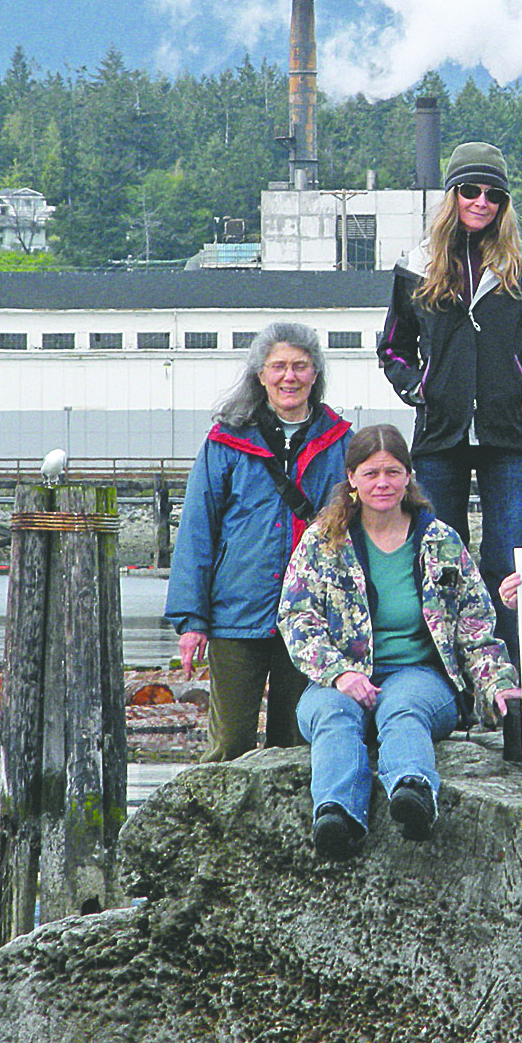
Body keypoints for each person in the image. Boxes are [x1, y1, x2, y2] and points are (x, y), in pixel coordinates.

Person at [279, 423, 520, 860]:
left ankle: (413, 794)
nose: (382, 483)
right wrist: (339, 673)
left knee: (401, 707)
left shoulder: (440, 541)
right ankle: (336, 815)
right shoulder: (320, 542)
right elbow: (296, 619)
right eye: (371, 473)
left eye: (393, 472)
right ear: (351, 478)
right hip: (341, 680)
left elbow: (477, 630)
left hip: (421, 676)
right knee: (333, 717)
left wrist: (498, 687)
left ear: (408, 476)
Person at [377, 141, 522, 657]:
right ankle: (450, 672)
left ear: (504, 204)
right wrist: (420, 388)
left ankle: (507, 675)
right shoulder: (416, 266)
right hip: (440, 437)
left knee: (506, 561)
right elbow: (392, 346)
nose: (482, 202)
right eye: (471, 191)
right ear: (453, 194)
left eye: (494, 194)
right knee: (442, 560)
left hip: (506, 435)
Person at [166, 322, 350, 761]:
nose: (290, 377)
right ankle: (215, 830)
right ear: (261, 375)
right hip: (235, 613)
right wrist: (192, 620)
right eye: (279, 367)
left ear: (315, 374)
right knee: (229, 746)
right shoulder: (225, 441)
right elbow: (197, 531)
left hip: (310, 618)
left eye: (300, 367)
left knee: (295, 744)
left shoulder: (340, 442)